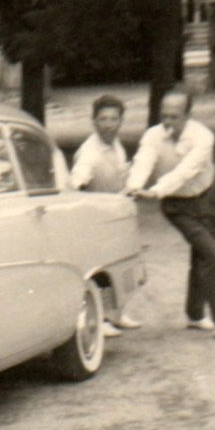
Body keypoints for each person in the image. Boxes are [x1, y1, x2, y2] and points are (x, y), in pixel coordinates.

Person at [126, 90, 215, 342]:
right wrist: (135, 187)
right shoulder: (153, 135)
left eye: (174, 117)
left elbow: (186, 171)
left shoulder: (203, 137)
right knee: (213, 254)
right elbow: (143, 161)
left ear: (188, 116)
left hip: (207, 197)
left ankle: (195, 315)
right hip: (176, 205)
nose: (167, 122)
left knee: (203, 255)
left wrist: (155, 191)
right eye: (164, 115)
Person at [70, 94, 141, 337]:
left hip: (116, 213)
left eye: (114, 119)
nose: (109, 124)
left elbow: (123, 174)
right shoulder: (89, 152)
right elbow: (78, 179)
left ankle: (117, 314)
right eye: (103, 119)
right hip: (95, 217)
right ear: (94, 121)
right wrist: (79, 185)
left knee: (121, 264)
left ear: (121, 121)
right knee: (98, 269)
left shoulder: (117, 146)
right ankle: (99, 320)